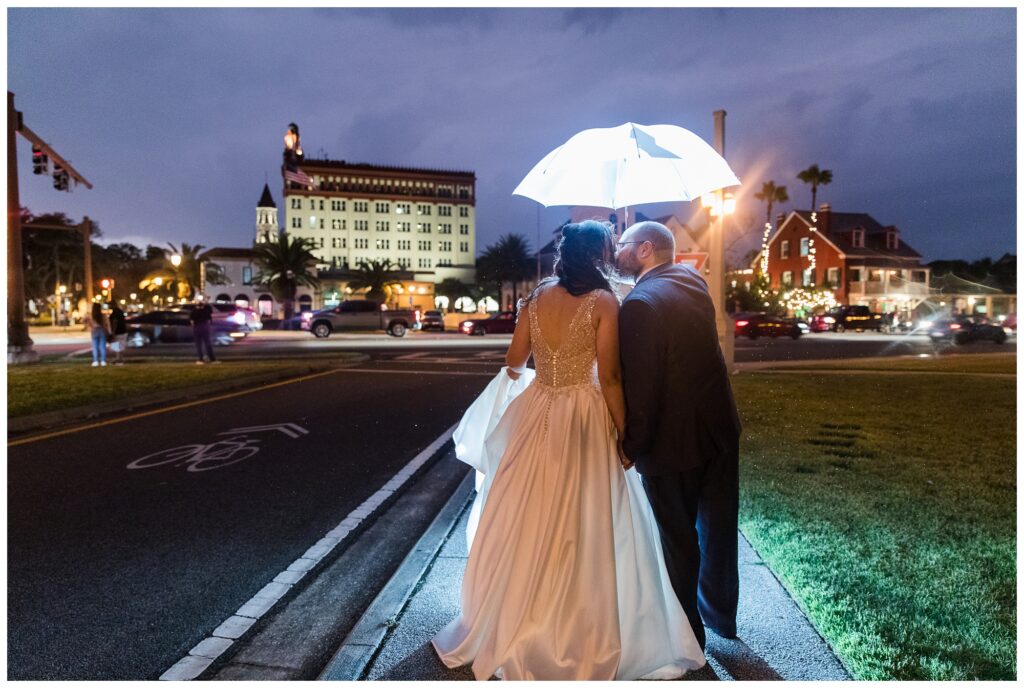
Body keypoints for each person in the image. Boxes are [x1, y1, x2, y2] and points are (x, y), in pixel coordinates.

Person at [433, 221, 705, 680]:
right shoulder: (604, 302)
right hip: (583, 414)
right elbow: (613, 377)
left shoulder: (537, 299)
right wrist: (625, 435)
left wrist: (546, 365)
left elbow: (514, 362)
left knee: (528, 511)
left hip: (537, 409)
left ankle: (515, 615)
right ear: (597, 256)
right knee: (583, 516)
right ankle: (576, 624)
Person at [614, 221, 742, 652]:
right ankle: (720, 616)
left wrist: (632, 445)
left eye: (623, 245)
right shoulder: (689, 279)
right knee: (719, 528)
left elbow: (643, 389)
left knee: (678, 540)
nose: (617, 251)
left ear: (646, 249)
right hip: (719, 426)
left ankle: (688, 638)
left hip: (672, 441)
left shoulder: (639, 304)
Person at [189, 297, 219, 365]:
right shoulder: (206, 311)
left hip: (196, 328)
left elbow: (192, 322)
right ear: (203, 305)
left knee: (198, 345)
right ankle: (212, 359)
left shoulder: (193, 312)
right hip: (205, 328)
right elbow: (209, 319)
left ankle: (200, 359)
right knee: (208, 344)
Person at [86, 302, 110, 368]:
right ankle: (103, 361)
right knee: (102, 346)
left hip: (94, 330)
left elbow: (84, 320)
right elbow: (107, 323)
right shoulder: (103, 315)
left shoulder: (91, 316)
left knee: (95, 347)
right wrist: (109, 331)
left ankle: (95, 361)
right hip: (102, 330)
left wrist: (90, 326)